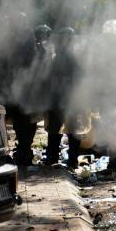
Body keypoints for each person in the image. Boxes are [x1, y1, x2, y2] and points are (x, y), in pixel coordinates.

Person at [6, 12, 39, 165]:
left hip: (24, 88)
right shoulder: (26, 40)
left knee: (23, 122)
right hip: (22, 88)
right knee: (24, 122)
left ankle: (24, 150)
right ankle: (25, 150)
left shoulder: (24, 40)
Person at [46, 27, 82, 168]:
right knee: (71, 130)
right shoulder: (74, 56)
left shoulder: (63, 57)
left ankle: (53, 158)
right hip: (68, 99)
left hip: (63, 99)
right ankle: (71, 160)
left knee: (57, 129)